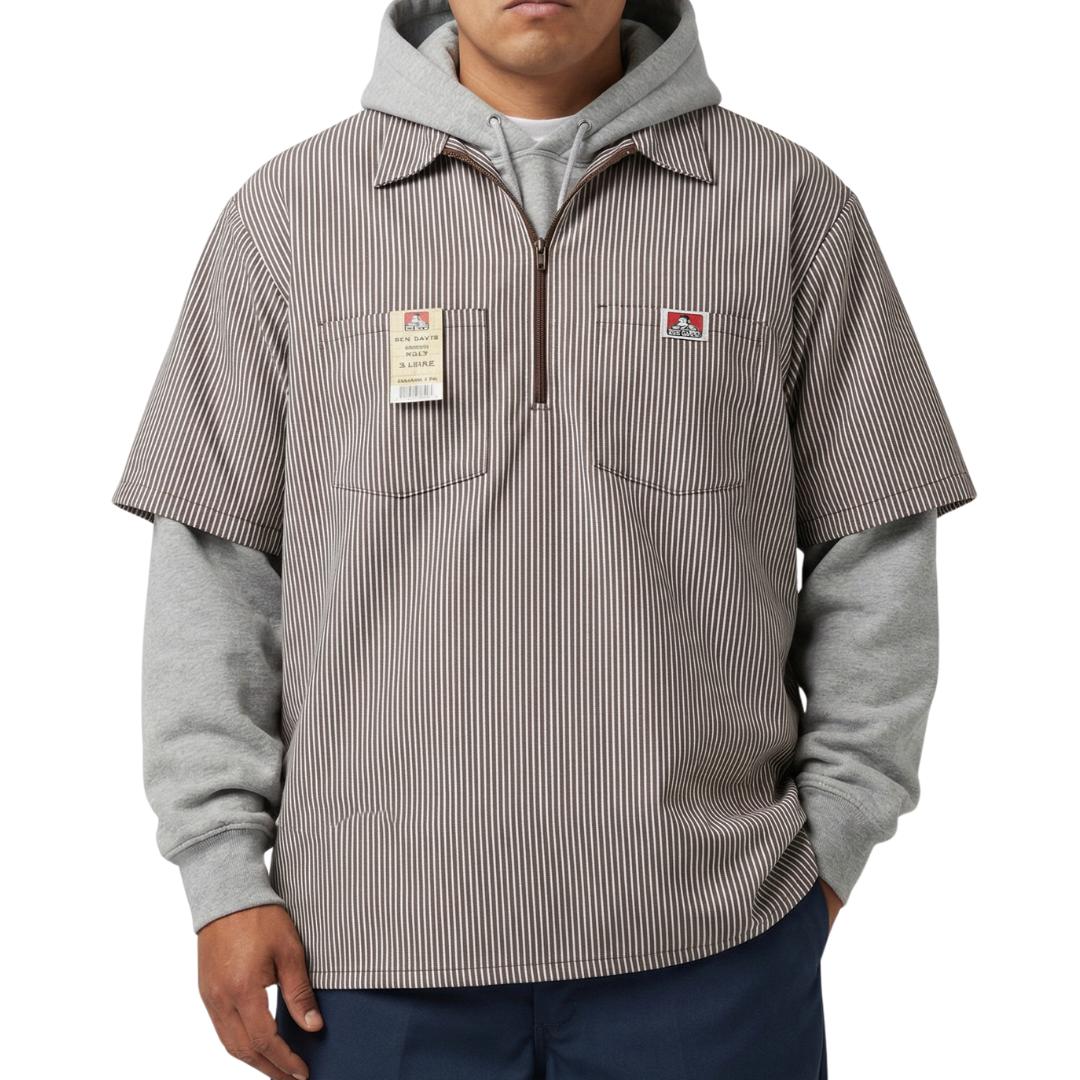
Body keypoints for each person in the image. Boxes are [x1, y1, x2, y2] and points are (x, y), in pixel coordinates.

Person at [111, 0, 977, 1076]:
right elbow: (216, 568)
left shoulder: (791, 206)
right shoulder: (287, 217)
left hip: (715, 944)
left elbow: (876, 541)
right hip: (368, 955)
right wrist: (221, 871)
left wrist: (835, 841)